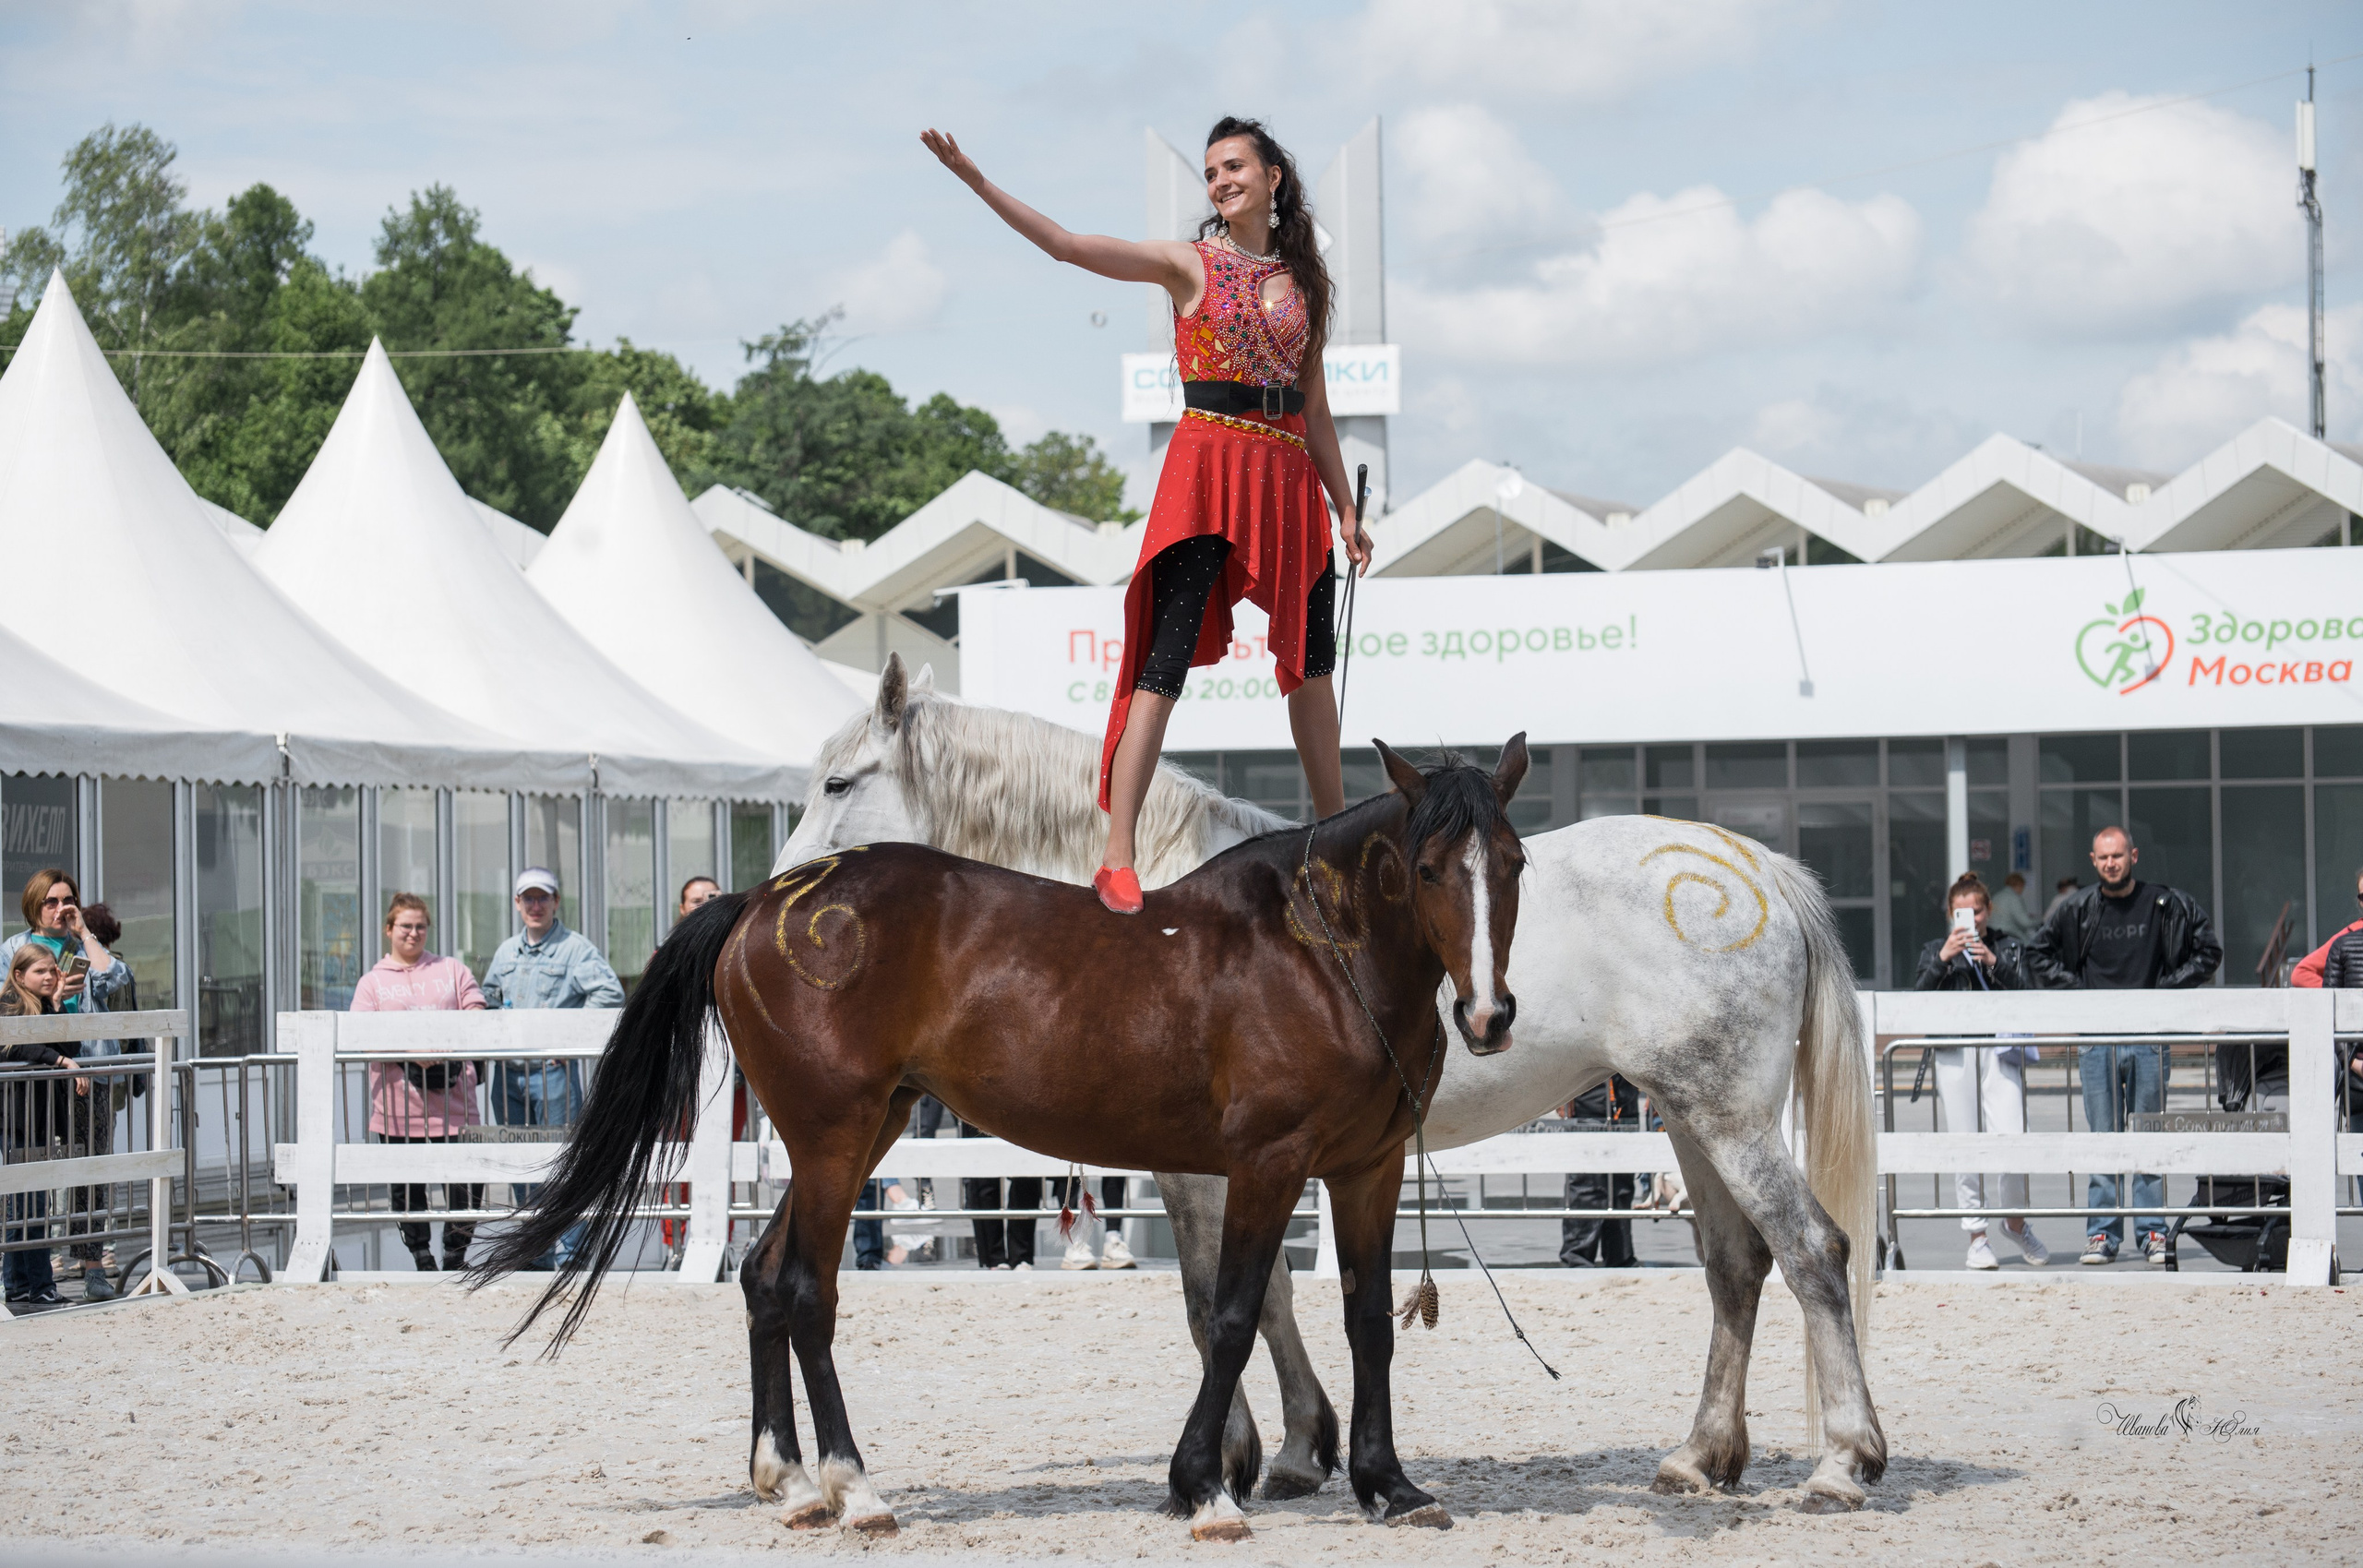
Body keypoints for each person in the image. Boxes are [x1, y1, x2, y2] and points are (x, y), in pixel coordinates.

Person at [922, 117, 1373, 915]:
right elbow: (1066, 245)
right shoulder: (1187, 264)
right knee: (1161, 666)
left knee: (1312, 663)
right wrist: (976, 180)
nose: (1220, 180)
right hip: (1208, 469)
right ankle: (1117, 854)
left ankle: (1332, 833)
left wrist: (1346, 507)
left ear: (1274, 177)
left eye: (1235, 166)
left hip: (1286, 474)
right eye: (1210, 172)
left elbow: (1318, 409)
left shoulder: (1309, 282)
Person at [2028, 826, 2222, 1265]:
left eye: (2118, 855)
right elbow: (2038, 953)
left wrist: (2166, 990)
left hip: (2151, 1037)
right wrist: (2078, 990)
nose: (2111, 863)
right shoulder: (2077, 908)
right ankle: (2102, 1234)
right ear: (2093, 861)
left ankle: (2152, 1230)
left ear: (2133, 855)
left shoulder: (2166, 903)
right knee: (2103, 1139)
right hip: (2097, 1039)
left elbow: (2208, 950)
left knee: (2149, 1136)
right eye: (2103, 857)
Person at [482, 868, 622, 1270]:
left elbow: (609, 992)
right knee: (521, 1161)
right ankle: (535, 1250)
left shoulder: (575, 948)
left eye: (543, 898)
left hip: (553, 1073)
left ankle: (572, 1253)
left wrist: (570, 1040)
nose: (536, 906)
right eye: (528, 898)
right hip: (508, 1073)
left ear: (556, 902)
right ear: (517, 904)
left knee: (564, 1159)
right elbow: (489, 998)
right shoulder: (507, 952)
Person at [1913, 872, 2048, 1270]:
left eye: (1976, 911)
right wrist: (1943, 959)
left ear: (1988, 910)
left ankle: (2015, 1220)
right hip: (1956, 1049)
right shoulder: (1935, 949)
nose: (1970, 919)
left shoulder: (2007, 946)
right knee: (1964, 1143)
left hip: (1999, 1048)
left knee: (2012, 1138)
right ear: (1950, 914)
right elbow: (1919, 999)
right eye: (1961, 912)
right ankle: (1976, 1236)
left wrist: (1994, 962)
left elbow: (2026, 993)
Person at [354, 893, 487, 1273]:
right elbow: (360, 1033)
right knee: (406, 1187)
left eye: (420, 927)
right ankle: (422, 1259)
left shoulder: (452, 970)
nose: (413, 934)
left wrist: (444, 1046)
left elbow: (477, 1010)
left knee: (465, 1182)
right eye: (405, 927)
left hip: (455, 1099)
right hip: (398, 1105)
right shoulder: (372, 983)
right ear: (389, 930)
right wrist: (411, 1051)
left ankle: (455, 1256)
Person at [1, 945, 89, 1309]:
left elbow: (71, 1044)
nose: (50, 977)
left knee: (30, 1201)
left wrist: (56, 1002)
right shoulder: (9, 1003)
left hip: (36, 1116)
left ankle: (20, 1284)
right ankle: (39, 1285)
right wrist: (60, 1059)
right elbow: (18, 1048)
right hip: (15, 1118)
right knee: (31, 1202)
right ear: (20, 975)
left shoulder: (42, 1003)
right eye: (41, 972)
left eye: (53, 971)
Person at [2, 869, 131, 1016]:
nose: (61, 908)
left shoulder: (84, 947)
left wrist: (83, 931)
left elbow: (113, 978)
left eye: (68, 900)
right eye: (52, 902)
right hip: (37, 1036)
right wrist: (50, 995)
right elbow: (6, 1003)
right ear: (35, 905)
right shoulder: (12, 949)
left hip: (82, 1037)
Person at [1559, 1077, 1640, 1268]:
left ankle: (1620, 1257)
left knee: (1621, 1185)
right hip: (1586, 1094)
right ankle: (1577, 1258)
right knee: (1586, 1183)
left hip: (1623, 1096)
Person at [1986, 871, 2040, 943]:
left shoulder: (1997, 896)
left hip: (1992, 933)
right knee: (2030, 944)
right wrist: (2039, 921)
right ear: (2019, 885)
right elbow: (2025, 922)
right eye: (2023, 887)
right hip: (2008, 933)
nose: (2023, 890)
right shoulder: (2014, 898)